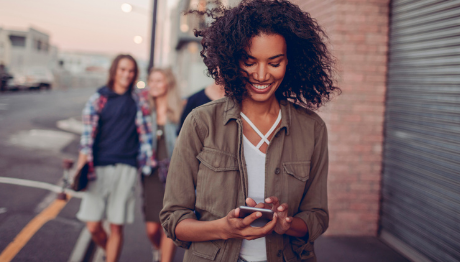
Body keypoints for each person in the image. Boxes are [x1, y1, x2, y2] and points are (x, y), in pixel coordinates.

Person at [160, 0, 341, 262]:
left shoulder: (312, 128)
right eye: (250, 61)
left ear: (290, 62)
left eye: (274, 62)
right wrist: (222, 228)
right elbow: (173, 218)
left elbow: (316, 217)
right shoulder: (201, 122)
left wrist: (286, 224)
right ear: (233, 59)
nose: (261, 74)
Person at [75, 54, 155, 262]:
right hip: (97, 168)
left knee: (116, 224)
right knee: (93, 225)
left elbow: (148, 129)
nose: (127, 75)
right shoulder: (99, 99)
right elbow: (86, 138)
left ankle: (111, 257)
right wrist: (80, 166)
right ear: (114, 71)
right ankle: (107, 250)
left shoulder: (139, 100)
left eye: (131, 71)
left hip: (127, 167)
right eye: (122, 70)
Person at [143, 68, 182, 262]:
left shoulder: (179, 110)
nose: (154, 85)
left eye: (159, 81)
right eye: (151, 81)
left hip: (173, 176)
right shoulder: (145, 111)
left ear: (169, 83)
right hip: (151, 175)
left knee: (169, 224)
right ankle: (158, 250)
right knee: (152, 228)